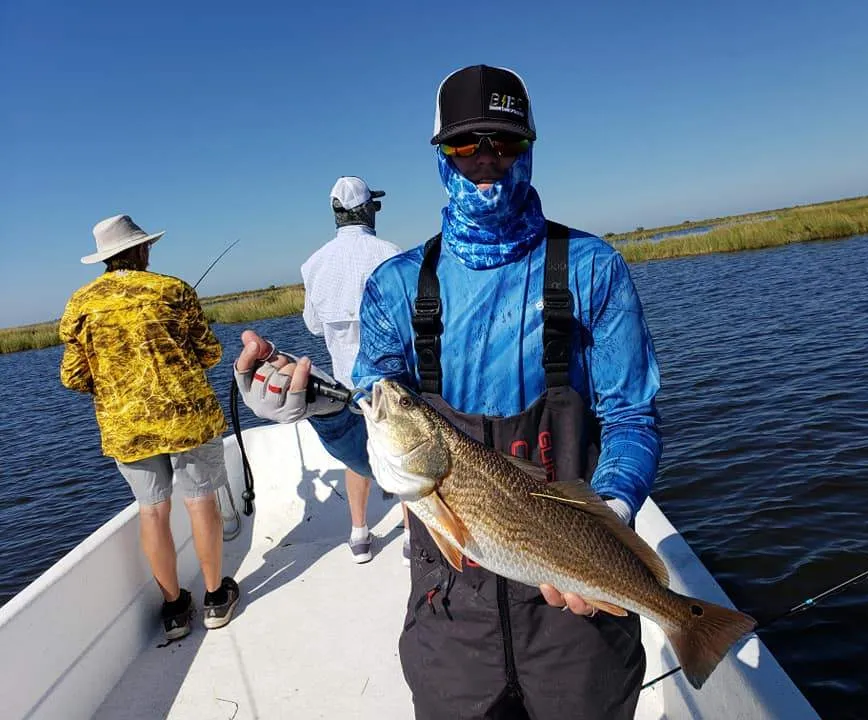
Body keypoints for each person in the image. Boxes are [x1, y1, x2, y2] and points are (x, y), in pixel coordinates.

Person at [234, 65, 662, 720]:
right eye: (468, 145)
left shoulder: (589, 267)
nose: (488, 161)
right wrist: (318, 408)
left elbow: (630, 414)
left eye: (505, 142)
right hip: (449, 612)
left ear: (529, 147)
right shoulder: (399, 287)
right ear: (441, 155)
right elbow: (385, 448)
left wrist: (610, 512)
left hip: (575, 611)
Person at [60, 214, 240, 641]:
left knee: (153, 511)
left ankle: (175, 609)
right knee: (200, 501)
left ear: (105, 258)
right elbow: (211, 352)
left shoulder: (80, 304)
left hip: (128, 428)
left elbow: (73, 376)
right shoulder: (174, 290)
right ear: (141, 250)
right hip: (187, 419)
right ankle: (216, 598)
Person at [300, 176, 409, 564]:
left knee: (355, 456)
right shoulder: (390, 252)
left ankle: (360, 534)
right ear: (367, 209)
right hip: (389, 382)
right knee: (402, 454)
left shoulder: (312, 264)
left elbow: (313, 325)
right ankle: (414, 537)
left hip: (343, 382)